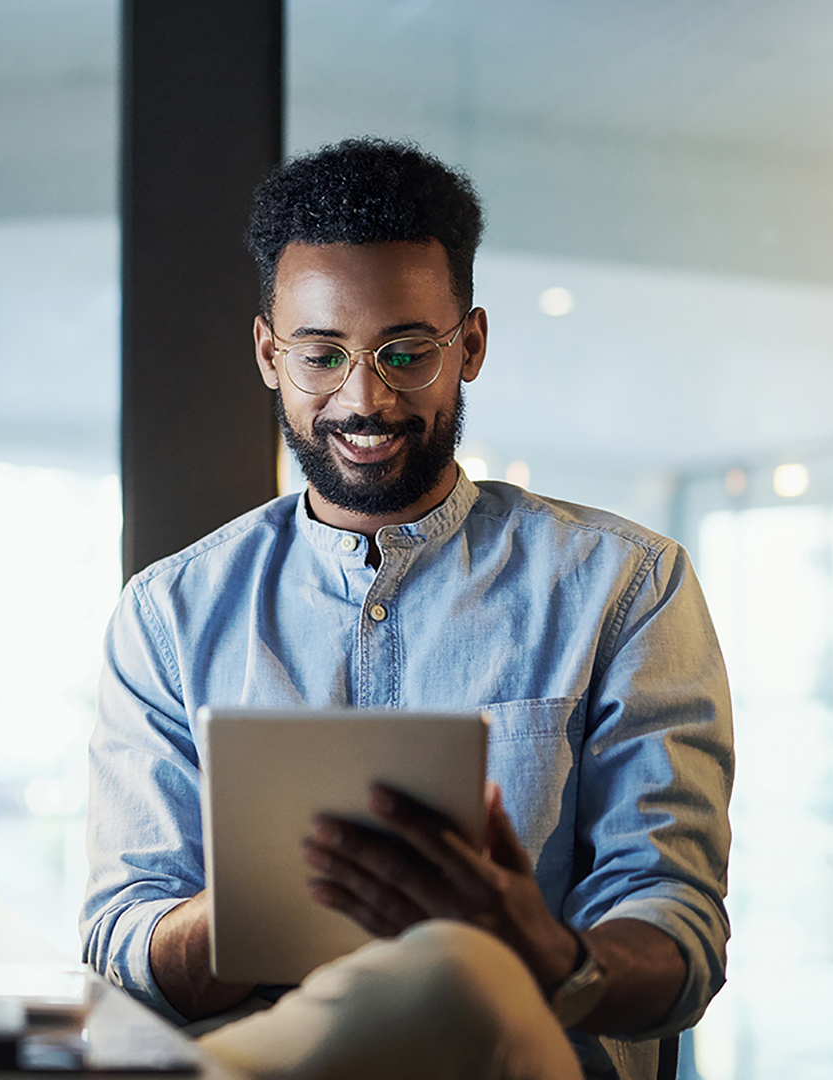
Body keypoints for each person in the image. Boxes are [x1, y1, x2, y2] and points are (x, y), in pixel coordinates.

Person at [81, 138, 732, 1080]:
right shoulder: (168, 616)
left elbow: (678, 932)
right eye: (323, 355)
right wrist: (266, 906)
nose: (365, 397)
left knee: (466, 968)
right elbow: (121, 939)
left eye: (405, 352)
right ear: (270, 354)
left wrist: (547, 955)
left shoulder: (626, 586)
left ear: (467, 345)